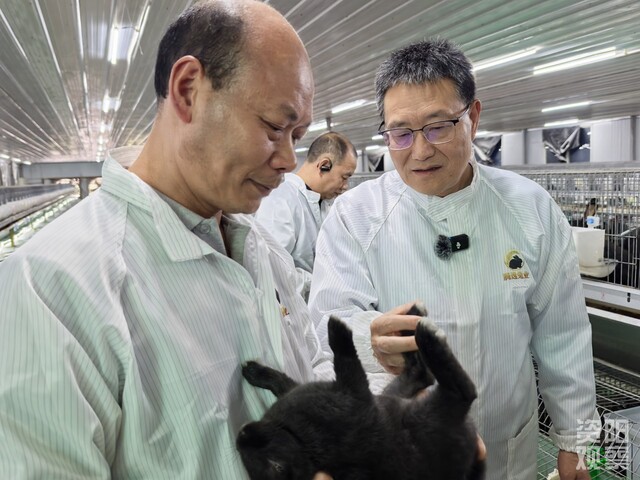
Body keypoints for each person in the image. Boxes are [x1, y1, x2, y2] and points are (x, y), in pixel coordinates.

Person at [0, 2, 334, 478]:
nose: (287, 158)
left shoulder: (264, 251)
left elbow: (312, 369)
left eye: (296, 135)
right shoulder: (50, 288)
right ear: (188, 90)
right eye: (274, 127)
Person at [308, 38, 599, 480]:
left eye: (438, 126)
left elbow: (563, 334)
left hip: (505, 450)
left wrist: (575, 441)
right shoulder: (355, 218)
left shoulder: (530, 210)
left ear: (473, 118)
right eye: (401, 133)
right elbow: (328, 326)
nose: (420, 150)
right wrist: (369, 338)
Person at [255, 131, 357, 300]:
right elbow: (272, 271)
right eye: (344, 177)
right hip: (288, 307)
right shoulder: (281, 199)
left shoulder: (323, 203)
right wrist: (322, 281)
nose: (345, 186)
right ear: (324, 165)